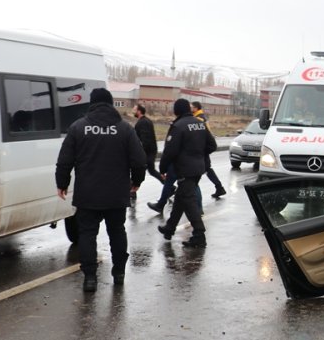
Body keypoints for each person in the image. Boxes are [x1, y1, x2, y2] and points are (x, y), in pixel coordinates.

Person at [55, 87, 147, 292]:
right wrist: (136, 181)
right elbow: (139, 161)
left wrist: (62, 183)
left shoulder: (78, 127)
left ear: (92, 103)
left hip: (87, 194)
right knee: (117, 232)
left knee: (87, 234)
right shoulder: (125, 129)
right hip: (116, 193)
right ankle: (119, 273)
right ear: (111, 103)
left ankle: (90, 278)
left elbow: (64, 160)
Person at [157, 98, 217, 248]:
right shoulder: (200, 124)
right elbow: (212, 145)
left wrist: (163, 169)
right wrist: (198, 155)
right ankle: (169, 228)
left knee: (188, 201)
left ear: (176, 111)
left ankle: (199, 234)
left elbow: (169, 152)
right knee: (181, 198)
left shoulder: (178, 126)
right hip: (198, 168)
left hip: (185, 169)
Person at [191, 101, 227, 200]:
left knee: (203, 170)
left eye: (192, 107)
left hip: (203, 147)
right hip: (204, 147)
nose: (190, 108)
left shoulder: (199, 118)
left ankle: (218, 187)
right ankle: (219, 187)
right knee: (206, 169)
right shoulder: (200, 116)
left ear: (196, 108)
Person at [133, 104, 164, 200]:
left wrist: (141, 152)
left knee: (139, 169)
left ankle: (132, 190)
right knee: (151, 170)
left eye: (134, 109)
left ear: (139, 111)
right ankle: (169, 186)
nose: (133, 111)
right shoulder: (146, 121)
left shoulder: (142, 123)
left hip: (147, 151)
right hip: (150, 150)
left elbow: (144, 139)